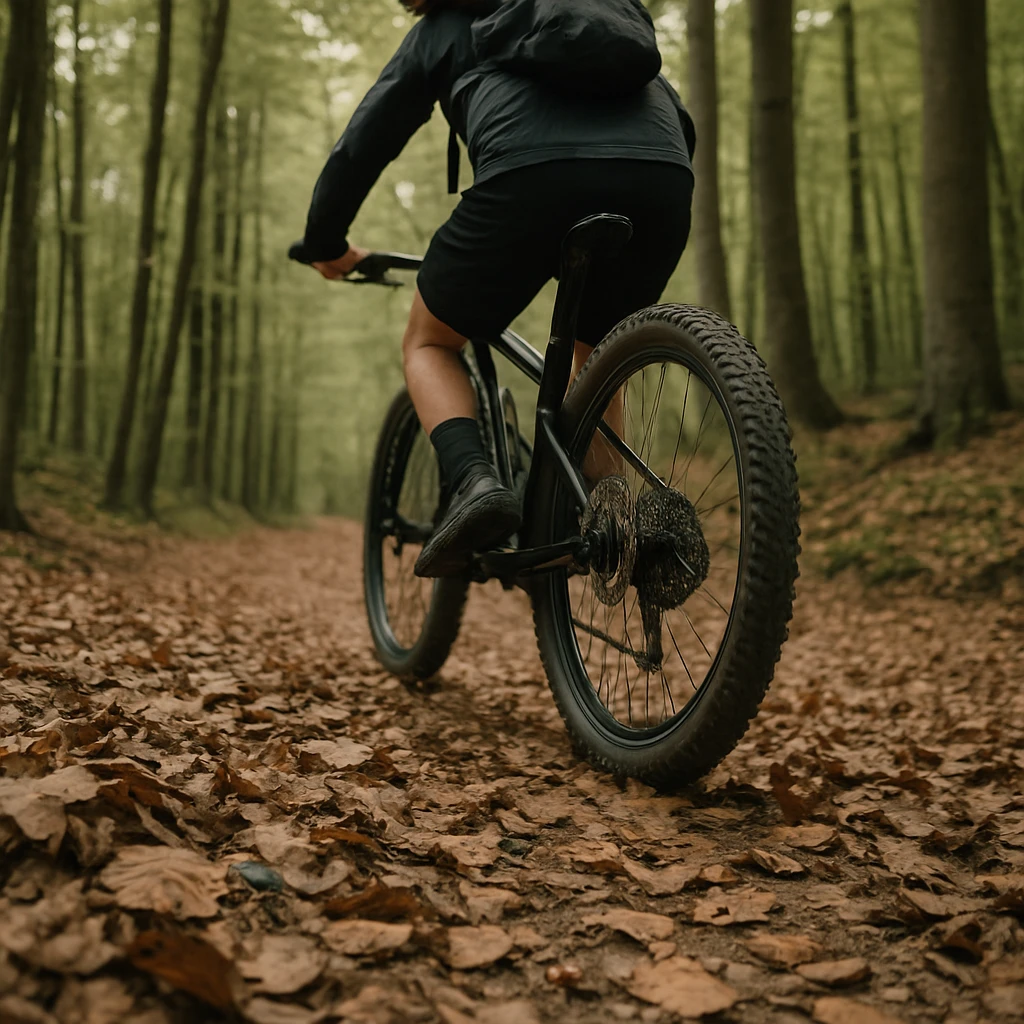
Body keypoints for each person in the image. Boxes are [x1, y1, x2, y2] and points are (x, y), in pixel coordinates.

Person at [293, 0, 695, 578]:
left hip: (527, 178)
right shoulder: (598, 10)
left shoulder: (444, 28)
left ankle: (475, 483)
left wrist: (325, 240)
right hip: (661, 176)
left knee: (429, 342)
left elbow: (368, 136)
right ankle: (614, 516)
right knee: (597, 349)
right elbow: (675, 113)